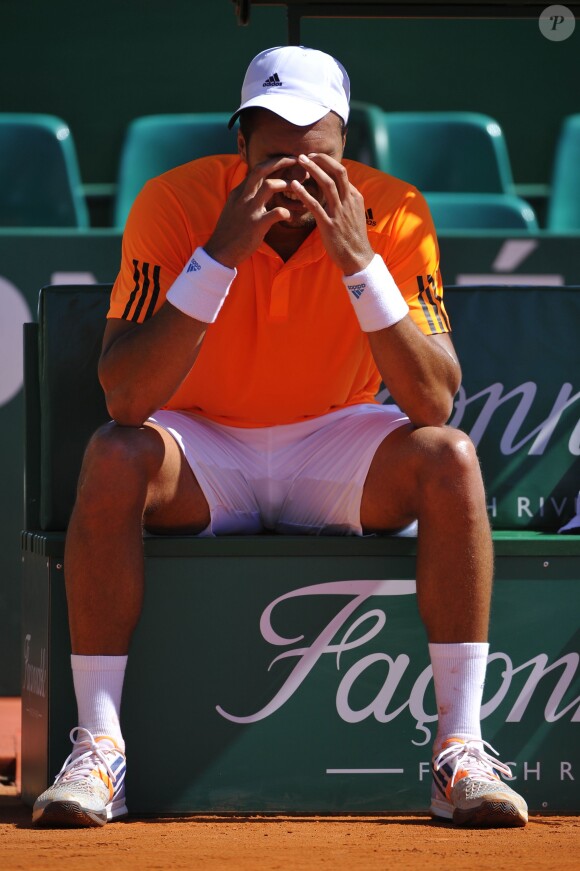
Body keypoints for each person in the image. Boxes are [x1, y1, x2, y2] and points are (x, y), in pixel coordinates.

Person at [32, 45, 528, 829]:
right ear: (241, 150)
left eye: (317, 159)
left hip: (338, 441)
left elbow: (433, 400)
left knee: (450, 458)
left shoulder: (394, 211)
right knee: (114, 452)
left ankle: (459, 749)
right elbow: (126, 396)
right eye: (275, 159)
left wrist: (358, 259)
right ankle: (100, 749)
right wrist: (221, 251)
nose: (296, 180)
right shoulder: (175, 202)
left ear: (345, 147)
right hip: (202, 446)